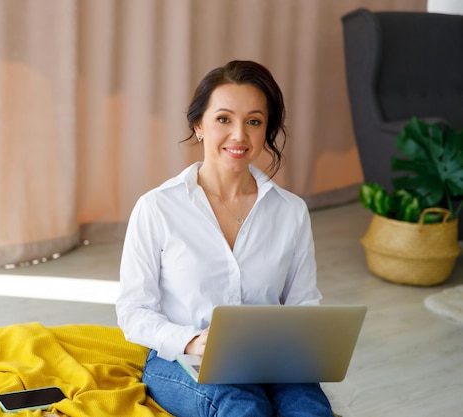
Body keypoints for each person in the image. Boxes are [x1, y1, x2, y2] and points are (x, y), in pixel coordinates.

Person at [115, 60, 334, 417]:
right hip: (182, 358)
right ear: (198, 125)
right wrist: (192, 340)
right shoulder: (157, 207)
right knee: (242, 407)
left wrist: (307, 348)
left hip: (271, 358)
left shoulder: (291, 211)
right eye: (223, 119)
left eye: (254, 121)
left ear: (267, 131)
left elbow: (302, 304)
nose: (239, 135)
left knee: (310, 410)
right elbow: (133, 311)